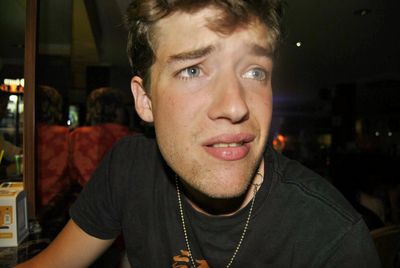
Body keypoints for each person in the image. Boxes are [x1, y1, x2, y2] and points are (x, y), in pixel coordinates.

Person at [17, 0, 381, 267]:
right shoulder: (128, 168)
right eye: (192, 70)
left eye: (255, 71)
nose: (236, 106)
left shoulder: (332, 241)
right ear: (145, 100)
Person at [69, 87, 133, 186]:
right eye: (122, 107)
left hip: (83, 195)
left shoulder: (76, 135)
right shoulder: (130, 137)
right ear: (116, 110)